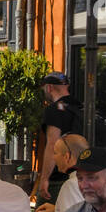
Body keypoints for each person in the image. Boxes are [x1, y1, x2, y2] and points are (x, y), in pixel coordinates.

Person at [34, 71, 83, 202]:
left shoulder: (54, 109)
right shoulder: (80, 107)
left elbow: (52, 144)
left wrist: (44, 179)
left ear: (49, 88)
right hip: (80, 176)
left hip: (57, 178)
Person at [35, 133, 87, 212]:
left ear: (67, 156)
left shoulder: (72, 185)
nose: (54, 158)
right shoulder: (93, 180)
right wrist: (56, 209)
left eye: (55, 153)